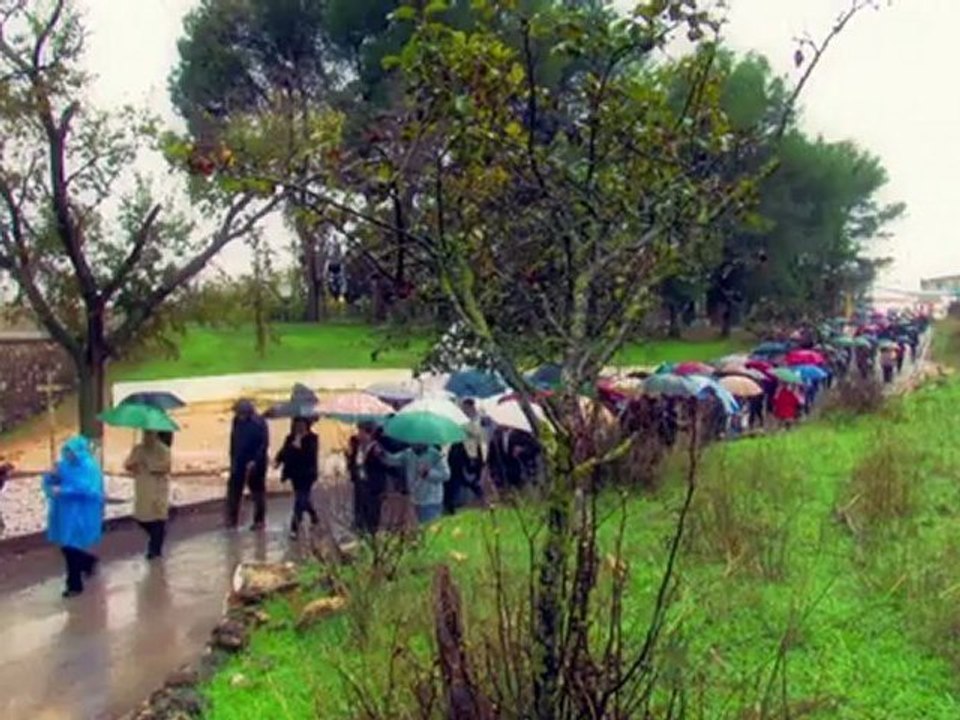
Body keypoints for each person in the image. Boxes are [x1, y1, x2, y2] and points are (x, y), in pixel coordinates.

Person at [43, 436, 105, 598]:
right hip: (64, 512)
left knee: (70, 547)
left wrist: (63, 490)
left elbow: (89, 489)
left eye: (72, 452)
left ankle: (74, 584)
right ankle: (87, 562)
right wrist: (51, 476)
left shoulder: (89, 467)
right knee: (66, 546)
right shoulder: (63, 466)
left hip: (83, 513)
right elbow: (48, 484)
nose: (68, 455)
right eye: (67, 451)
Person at [125, 430, 172, 560]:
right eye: (145, 433)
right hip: (143, 488)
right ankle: (155, 540)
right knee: (142, 517)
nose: (147, 437)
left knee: (158, 518)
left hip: (158, 489)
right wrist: (133, 465)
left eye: (150, 433)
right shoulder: (138, 449)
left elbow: (166, 467)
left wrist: (150, 465)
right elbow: (128, 465)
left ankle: (155, 549)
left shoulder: (163, 450)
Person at [227, 399, 270, 530]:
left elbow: (263, 444)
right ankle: (232, 520)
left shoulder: (259, 423)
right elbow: (233, 441)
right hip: (239, 461)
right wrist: (233, 459)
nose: (238, 415)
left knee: (257, 492)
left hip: (257, 463)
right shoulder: (236, 422)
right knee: (234, 491)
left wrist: (254, 461)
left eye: (240, 413)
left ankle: (259, 521)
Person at [380, 444, 449, 524]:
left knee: (430, 529)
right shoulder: (408, 453)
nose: (414, 444)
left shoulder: (436, 455)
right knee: (416, 531)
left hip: (431, 501)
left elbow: (446, 475)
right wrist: (381, 453)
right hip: (414, 500)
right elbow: (392, 460)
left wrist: (428, 473)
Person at [275, 417, 319, 538]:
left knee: (300, 500)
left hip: (307, 474)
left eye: (302, 425)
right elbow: (284, 452)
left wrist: (300, 446)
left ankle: (294, 527)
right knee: (303, 498)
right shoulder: (290, 438)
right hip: (295, 474)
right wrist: (278, 460)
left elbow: (310, 456)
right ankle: (313, 515)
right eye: (297, 425)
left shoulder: (312, 439)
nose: (299, 428)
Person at [445, 399, 486, 514]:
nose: (466, 410)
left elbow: (479, 436)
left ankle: (481, 501)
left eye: (468, 408)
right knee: (454, 481)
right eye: (464, 408)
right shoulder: (456, 420)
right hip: (456, 453)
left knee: (471, 480)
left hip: (470, 455)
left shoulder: (475, 422)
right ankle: (451, 506)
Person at [347, 422, 387, 533]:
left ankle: (371, 534)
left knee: (372, 514)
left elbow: (382, 467)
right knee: (360, 511)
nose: (358, 434)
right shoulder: (357, 446)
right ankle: (360, 530)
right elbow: (352, 464)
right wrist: (349, 457)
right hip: (360, 484)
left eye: (361, 431)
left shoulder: (376, 448)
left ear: (368, 433)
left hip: (373, 486)